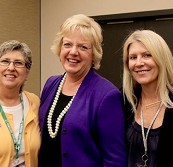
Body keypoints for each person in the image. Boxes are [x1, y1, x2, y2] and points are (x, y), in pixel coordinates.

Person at [38, 14, 127, 167]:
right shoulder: (51, 84)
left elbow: (115, 160)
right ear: (60, 49)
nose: (73, 52)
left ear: (94, 55)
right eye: (67, 45)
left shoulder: (107, 96)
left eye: (83, 47)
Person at [122, 29, 173, 167]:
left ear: (162, 58)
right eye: (133, 57)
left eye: (147, 55)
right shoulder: (124, 102)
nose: (139, 63)